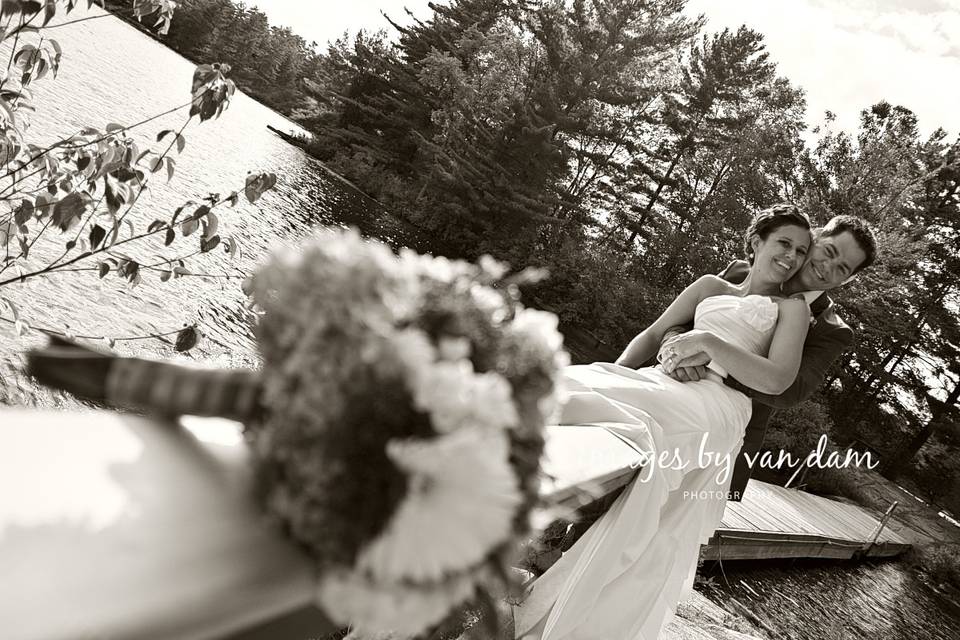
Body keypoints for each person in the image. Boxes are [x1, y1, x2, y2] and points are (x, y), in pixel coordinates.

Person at [512, 204, 817, 640]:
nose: (791, 256)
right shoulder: (711, 285)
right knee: (588, 386)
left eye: (801, 251)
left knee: (650, 425)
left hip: (720, 402)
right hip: (664, 379)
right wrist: (617, 370)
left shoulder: (791, 310)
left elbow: (777, 379)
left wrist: (708, 342)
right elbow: (654, 334)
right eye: (783, 243)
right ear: (756, 242)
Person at [663, 214, 877, 501]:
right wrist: (673, 351)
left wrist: (712, 363)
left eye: (841, 269)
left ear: (849, 279)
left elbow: (792, 390)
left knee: (676, 529)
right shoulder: (742, 270)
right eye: (828, 252)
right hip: (670, 385)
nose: (827, 268)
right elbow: (683, 321)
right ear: (814, 237)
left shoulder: (832, 329)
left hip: (726, 434)